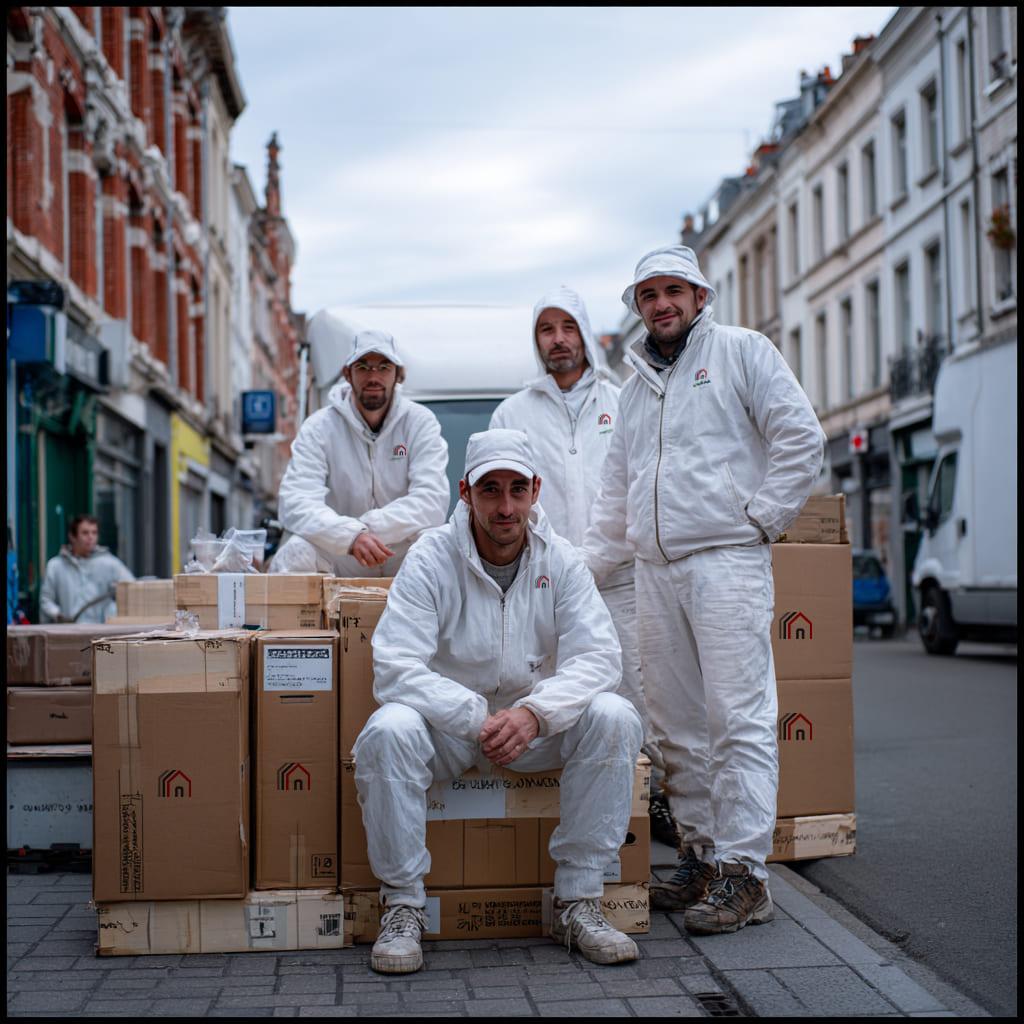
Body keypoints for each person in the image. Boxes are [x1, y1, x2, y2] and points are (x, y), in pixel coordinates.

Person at [583, 245, 825, 935]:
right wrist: (579, 575)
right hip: (656, 571)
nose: (661, 303)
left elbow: (800, 439)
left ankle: (748, 875)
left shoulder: (743, 352)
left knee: (739, 718)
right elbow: (613, 497)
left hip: (725, 562)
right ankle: (701, 856)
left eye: (673, 291)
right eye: (648, 294)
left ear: (698, 294)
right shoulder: (634, 389)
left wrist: (759, 522)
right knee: (675, 725)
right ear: (638, 307)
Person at [353, 428, 644, 973]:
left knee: (615, 715)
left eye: (516, 489)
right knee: (388, 730)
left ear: (536, 490)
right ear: (465, 492)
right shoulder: (430, 559)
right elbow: (394, 664)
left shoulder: (563, 561)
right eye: (490, 490)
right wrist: (474, 716)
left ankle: (578, 901)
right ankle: (403, 905)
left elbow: (600, 658)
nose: (505, 506)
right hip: (451, 729)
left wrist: (537, 713)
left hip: (535, 730)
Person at [489, 287, 676, 847]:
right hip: (541, 579)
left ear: (587, 335)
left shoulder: (624, 401)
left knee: (631, 687)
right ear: (536, 341)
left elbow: (639, 488)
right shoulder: (513, 411)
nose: (558, 340)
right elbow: (508, 495)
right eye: (547, 330)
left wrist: (595, 560)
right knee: (546, 683)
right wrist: (557, 563)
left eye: (567, 327)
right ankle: (566, 799)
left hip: (618, 576)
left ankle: (647, 798)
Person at [271, 329, 449, 577]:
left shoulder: (419, 422)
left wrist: (367, 530)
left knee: (436, 546)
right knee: (296, 550)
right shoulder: (320, 427)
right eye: (363, 367)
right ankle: (306, 617)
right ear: (347, 374)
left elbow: (431, 501)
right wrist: (350, 536)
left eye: (384, 367)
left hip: (401, 556)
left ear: (399, 375)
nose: (373, 377)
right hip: (344, 554)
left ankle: (425, 616)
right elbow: (296, 501)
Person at [39, 514, 134, 623]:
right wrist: (58, 615)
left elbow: (132, 589)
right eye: (85, 533)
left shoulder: (110, 564)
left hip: (102, 632)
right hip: (68, 633)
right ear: (72, 536)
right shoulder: (56, 566)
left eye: (94, 532)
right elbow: (46, 600)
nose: (91, 537)